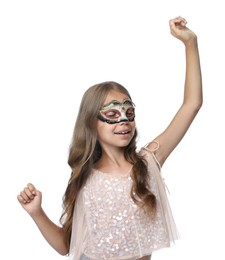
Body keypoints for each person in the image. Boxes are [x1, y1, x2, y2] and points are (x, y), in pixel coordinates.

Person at [17, 16, 202, 260]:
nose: (124, 119)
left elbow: (192, 104)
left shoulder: (148, 162)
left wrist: (191, 43)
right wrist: (36, 212)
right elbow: (65, 245)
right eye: (112, 113)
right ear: (92, 123)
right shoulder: (85, 179)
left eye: (129, 112)